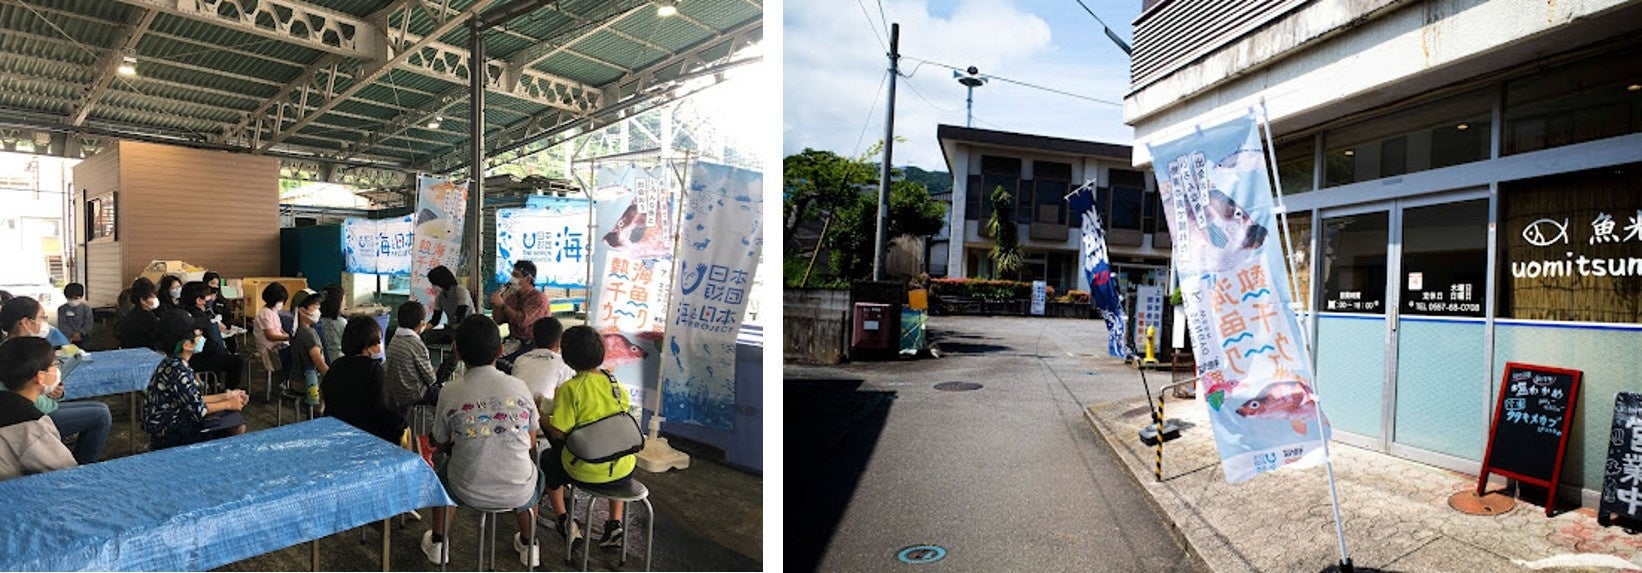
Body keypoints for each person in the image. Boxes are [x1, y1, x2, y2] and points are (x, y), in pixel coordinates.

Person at [421, 315, 543, 567]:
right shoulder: (519, 386)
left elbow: (441, 441)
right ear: (500, 350)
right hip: (518, 490)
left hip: (467, 487)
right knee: (531, 474)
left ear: (457, 351)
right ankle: (530, 545)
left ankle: (438, 542)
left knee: (442, 472)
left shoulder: (451, 390)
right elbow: (531, 441)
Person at [541, 325, 637, 550]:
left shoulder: (570, 389)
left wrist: (542, 415)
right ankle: (615, 524)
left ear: (566, 356)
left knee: (548, 460)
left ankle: (565, 521)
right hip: (624, 471)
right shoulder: (616, 385)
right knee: (615, 450)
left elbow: (559, 432)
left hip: (585, 471)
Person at [0, 297, 111, 465]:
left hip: (43, 403)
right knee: (101, 415)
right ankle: (84, 467)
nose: (45, 323)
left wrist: (52, 390)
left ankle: (80, 461)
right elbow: (16, 396)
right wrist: (41, 389)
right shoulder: (11, 354)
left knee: (101, 408)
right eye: (41, 318)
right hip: (31, 415)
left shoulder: (28, 347)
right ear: (25, 322)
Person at [142, 312, 248, 450]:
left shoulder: (172, 363)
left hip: (172, 421)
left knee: (234, 420)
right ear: (186, 345)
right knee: (235, 425)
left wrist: (228, 396)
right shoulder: (179, 371)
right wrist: (229, 404)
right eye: (198, 334)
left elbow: (193, 399)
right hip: (171, 432)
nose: (202, 336)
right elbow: (199, 410)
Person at [0, 337, 77, 480]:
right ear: (40, 377)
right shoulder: (32, 424)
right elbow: (67, 472)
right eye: (55, 365)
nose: (58, 370)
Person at [322, 316, 403, 444]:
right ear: (367, 345)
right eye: (379, 341)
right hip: (369, 438)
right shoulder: (373, 369)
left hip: (336, 436)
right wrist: (402, 428)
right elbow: (386, 408)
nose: (380, 345)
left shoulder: (336, 366)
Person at [178, 282, 245, 391]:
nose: (212, 297)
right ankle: (230, 394)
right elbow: (205, 343)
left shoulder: (185, 312)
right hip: (196, 358)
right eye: (209, 295)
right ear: (199, 300)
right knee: (236, 361)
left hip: (189, 355)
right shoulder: (199, 317)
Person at [511, 317, 573, 432]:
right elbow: (560, 400)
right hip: (542, 424)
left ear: (533, 338)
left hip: (516, 419)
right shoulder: (562, 363)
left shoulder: (520, 359)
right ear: (559, 342)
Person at [489, 260, 552, 367]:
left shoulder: (539, 298)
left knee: (506, 366)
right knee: (491, 360)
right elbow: (498, 320)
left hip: (533, 344)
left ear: (527, 279)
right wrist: (497, 304)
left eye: (516, 275)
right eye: (512, 275)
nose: (512, 279)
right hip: (513, 341)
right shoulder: (512, 297)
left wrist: (503, 305)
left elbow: (523, 320)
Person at [384, 301, 437, 420]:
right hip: (413, 394)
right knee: (443, 395)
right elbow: (431, 378)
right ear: (421, 324)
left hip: (394, 391)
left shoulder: (394, 339)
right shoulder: (416, 344)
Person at [288, 290, 327, 406]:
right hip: (305, 383)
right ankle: (318, 415)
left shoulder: (296, 331)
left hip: (296, 379)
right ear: (301, 310)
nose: (318, 311)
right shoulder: (308, 334)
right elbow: (319, 364)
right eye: (315, 306)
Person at [422, 265, 474, 346]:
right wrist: (422, 328)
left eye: (433, 283)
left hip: (468, 328)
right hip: (451, 329)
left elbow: (460, 316)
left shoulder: (461, 291)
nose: (432, 286)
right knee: (424, 336)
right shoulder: (440, 297)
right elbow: (435, 320)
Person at [253, 282, 292, 372]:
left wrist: (286, 335)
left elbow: (279, 329)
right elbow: (270, 336)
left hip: (276, 344)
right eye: (280, 301)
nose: (282, 303)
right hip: (269, 348)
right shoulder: (265, 313)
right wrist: (289, 337)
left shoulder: (273, 311)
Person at [118, 279, 162, 352]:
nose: (155, 299)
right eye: (152, 297)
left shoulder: (130, 314)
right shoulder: (148, 318)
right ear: (142, 300)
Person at [56, 283, 94, 348]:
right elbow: (62, 324)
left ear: (81, 297)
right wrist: (72, 334)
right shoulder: (62, 309)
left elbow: (89, 323)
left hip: (84, 337)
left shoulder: (86, 309)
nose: (72, 300)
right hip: (67, 337)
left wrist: (80, 333)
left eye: (75, 298)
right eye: (70, 298)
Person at [318, 284, 346, 364]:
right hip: (340, 362)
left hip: (323, 361)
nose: (345, 302)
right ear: (337, 302)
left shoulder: (318, 322)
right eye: (343, 299)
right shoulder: (342, 322)